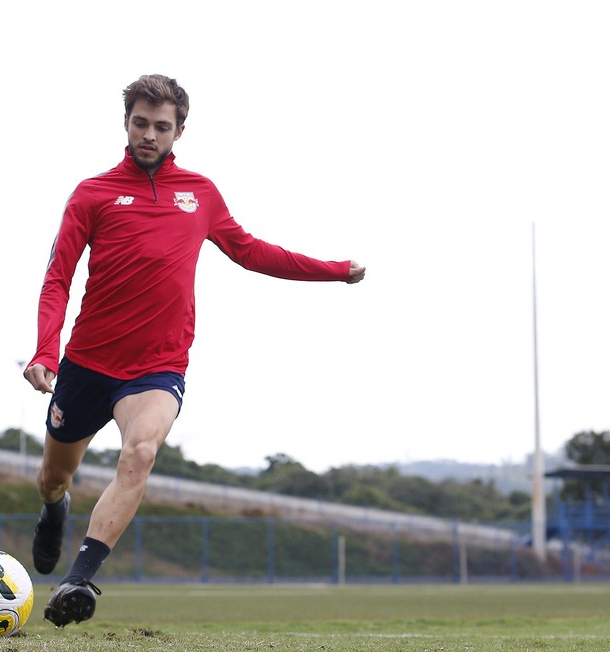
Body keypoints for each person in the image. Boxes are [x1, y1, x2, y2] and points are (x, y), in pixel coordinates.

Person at [23, 74, 365, 628]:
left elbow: (251, 252)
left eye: (162, 126)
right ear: (126, 123)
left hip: (156, 369)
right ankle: (53, 509)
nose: (149, 135)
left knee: (139, 454)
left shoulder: (200, 194)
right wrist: (46, 353)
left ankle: (79, 580)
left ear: (180, 130)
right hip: (86, 364)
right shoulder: (93, 193)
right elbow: (57, 278)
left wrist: (334, 272)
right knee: (53, 476)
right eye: (140, 123)